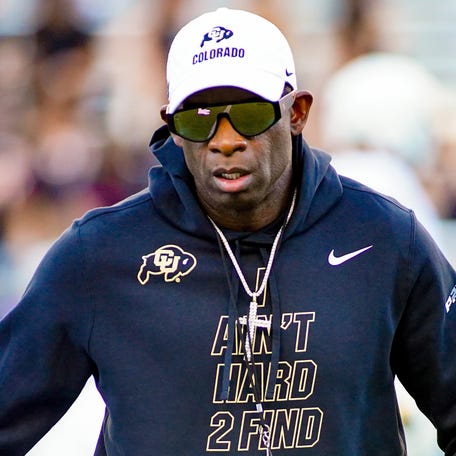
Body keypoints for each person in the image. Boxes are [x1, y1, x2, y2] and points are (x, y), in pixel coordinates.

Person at [0, 7, 455, 456]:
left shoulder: (386, 238)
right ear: (172, 128)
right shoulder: (98, 254)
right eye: (199, 118)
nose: (224, 138)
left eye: (249, 114)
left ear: (296, 112)